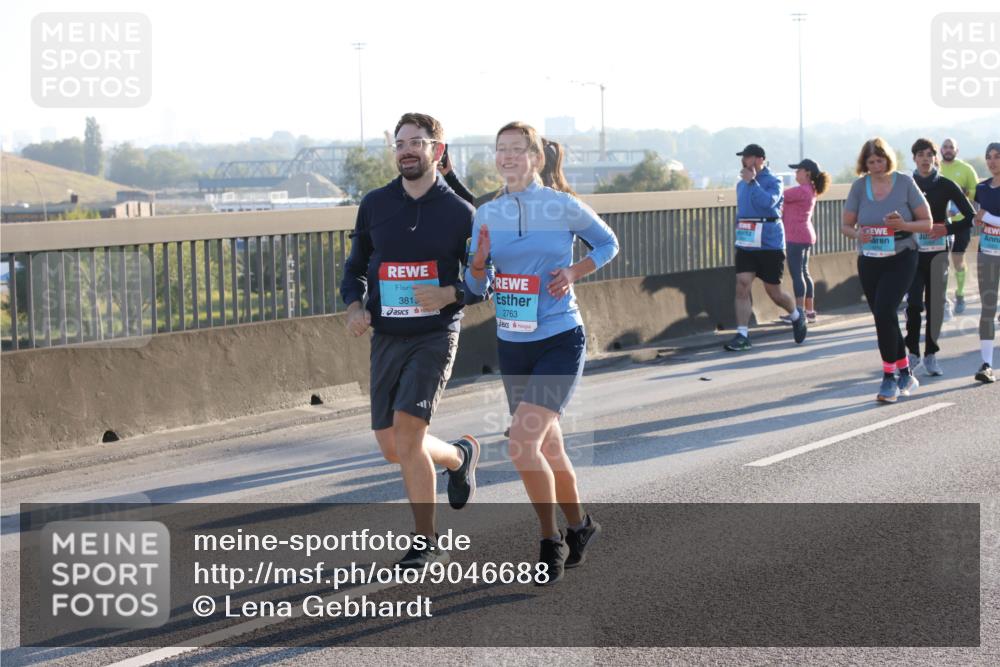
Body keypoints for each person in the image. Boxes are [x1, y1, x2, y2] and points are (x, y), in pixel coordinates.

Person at [465, 121, 619, 585]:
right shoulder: (485, 214)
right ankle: (582, 526)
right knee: (550, 449)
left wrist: (573, 271)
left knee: (521, 444)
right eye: (500, 150)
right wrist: (478, 262)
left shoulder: (560, 205)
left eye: (516, 149)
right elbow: (476, 286)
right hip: (514, 343)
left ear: (535, 157)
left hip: (559, 338)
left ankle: (549, 540)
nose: (507, 157)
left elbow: (609, 243)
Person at [340, 112, 482, 568]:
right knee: (392, 447)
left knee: (408, 433)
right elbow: (355, 267)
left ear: (436, 150)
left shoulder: (462, 213)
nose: (406, 149)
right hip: (387, 333)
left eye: (417, 142)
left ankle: (426, 540)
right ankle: (458, 457)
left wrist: (450, 292)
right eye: (400, 142)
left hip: (435, 334)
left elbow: (486, 278)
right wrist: (355, 307)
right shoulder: (376, 204)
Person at [841, 138, 932, 402]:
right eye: (871, 162)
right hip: (870, 259)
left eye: (880, 160)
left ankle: (888, 378)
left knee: (884, 310)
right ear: (864, 164)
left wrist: (903, 224)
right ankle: (905, 371)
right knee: (883, 317)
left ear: (888, 159)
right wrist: (858, 234)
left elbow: (926, 223)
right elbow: (845, 226)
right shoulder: (859, 187)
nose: (876, 166)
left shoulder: (904, 183)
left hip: (901, 256)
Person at [724, 144, 807, 351]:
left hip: (769, 242)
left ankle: (797, 315)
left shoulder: (774, 181)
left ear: (760, 159)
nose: (744, 161)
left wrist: (752, 182)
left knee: (774, 292)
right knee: (742, 284)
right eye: (743, 157)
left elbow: (768, 203)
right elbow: (742, 210)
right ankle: (742, 334)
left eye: (749, 157)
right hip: (746, 242)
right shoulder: (740, 184)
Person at [905, 138, 975, 376]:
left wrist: (947, 228)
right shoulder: (906, 184)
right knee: (913, 305)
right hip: (912, 255)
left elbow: (970, 216)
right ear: (913, 158)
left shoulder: (946, 184)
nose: (925, 159)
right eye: (920, 154)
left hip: (938, 254)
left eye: (929, 154)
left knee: (934, 305)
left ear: (935, 158)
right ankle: (912, 354)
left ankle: (931, 354)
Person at [781, 158, 830, 323]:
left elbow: (776, 196)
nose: (796, 172)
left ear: (807, 173)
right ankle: (809, 311)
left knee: (797, 275)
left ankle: (799, 312)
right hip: (806, 234)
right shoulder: (811, 189)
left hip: (795, 236)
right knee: (805, 273)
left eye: (798, 170)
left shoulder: (800, 191)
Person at [939, 138, 981, 315]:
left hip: (961, 222)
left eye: (951, 147)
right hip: (940, 222)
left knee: (957, 258)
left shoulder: (966, 169)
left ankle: (960, 294)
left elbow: (977, 192)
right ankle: (939, 298)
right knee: (939, 261)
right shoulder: (936, 168)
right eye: (945, 147)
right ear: (941, 150)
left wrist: (965, 192)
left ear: (957, 150)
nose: (948, 150)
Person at [971, 142, 1000, 383]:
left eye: (997, 157)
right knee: (988, 308)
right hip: (988, 252)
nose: (992, 161)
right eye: (988, 157)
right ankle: (987, 364)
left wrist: (987, 217)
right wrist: (979, 220)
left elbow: (986, 216)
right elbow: (977, 218)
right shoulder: (981, 188)